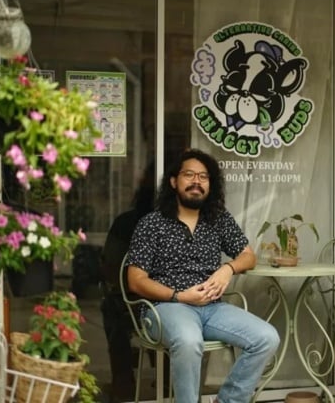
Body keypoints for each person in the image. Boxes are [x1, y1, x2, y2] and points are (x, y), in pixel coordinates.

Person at [125, 149, 280, 403]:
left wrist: (227, 269)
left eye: (204, 177)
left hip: (211, 308)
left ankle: (227, 400)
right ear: (174, 182)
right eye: (189, 175)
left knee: (266, 338)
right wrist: (178, 295)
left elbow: (248, 256)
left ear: (211, 184)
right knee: (188, 340)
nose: (196, 181)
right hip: (165, 307)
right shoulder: (152, 224)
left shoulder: (217, 219)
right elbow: (136, 279)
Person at [99, 162, 156, 402]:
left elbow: (110, 270)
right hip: (162, 300)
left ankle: (123, 385)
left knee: (112, 309)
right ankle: (166, 376)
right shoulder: (177, 222)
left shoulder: (126, 221)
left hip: (137, 303)